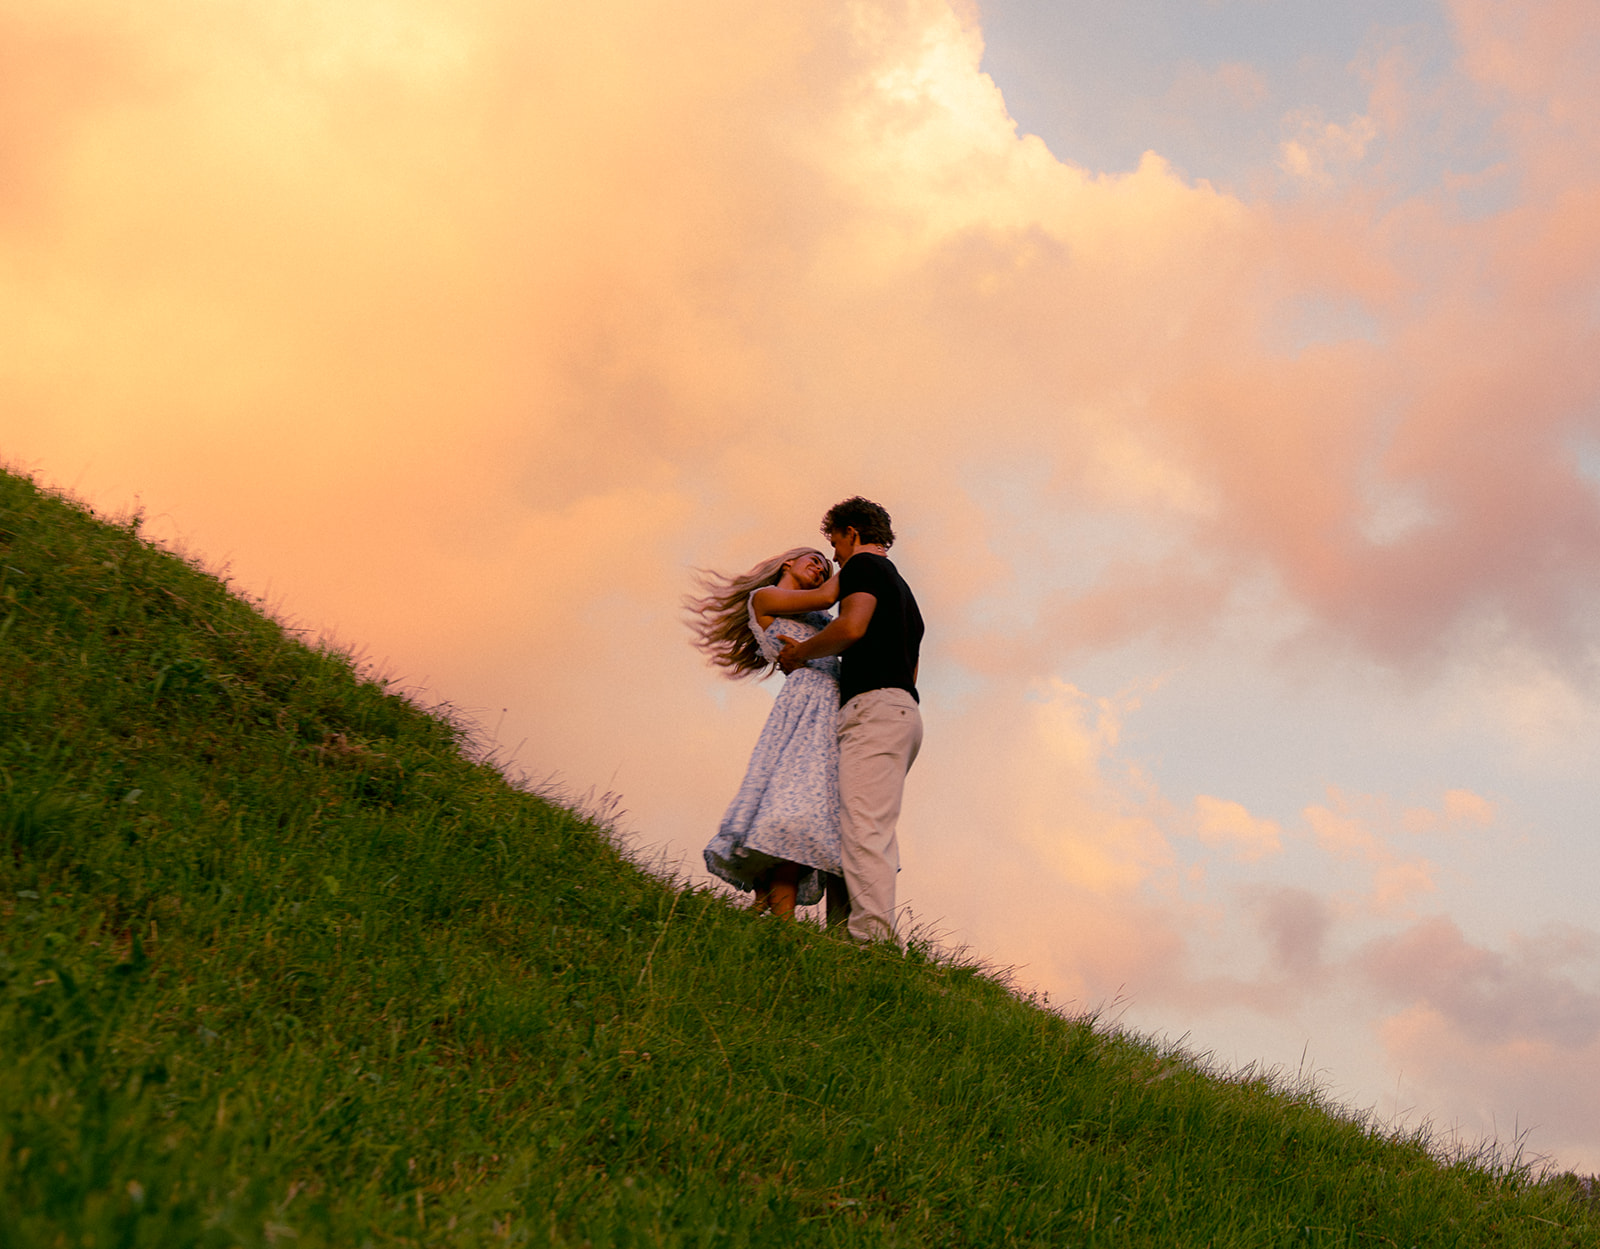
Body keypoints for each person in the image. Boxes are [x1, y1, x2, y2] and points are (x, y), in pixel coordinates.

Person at [777, 497, 923, 944]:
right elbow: (913, 663)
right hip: (902, 712)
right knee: (857, 825)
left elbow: (852, 626)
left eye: (835, 542)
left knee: (863, 827)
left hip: (875, 711)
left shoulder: (863, 567)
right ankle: (842, 938)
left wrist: (799, 652)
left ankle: (872, 944)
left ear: (853, 533)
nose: (834, 555)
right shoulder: (905, 591)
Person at [687, 547, 848, 920]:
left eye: (826, 569)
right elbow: (827, 595)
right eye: (815, 561)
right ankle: (782, 924)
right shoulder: (765, 598)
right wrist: (860, 560)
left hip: (830, 705)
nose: (822, 570)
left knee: (796, 807)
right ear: (787, 562)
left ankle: (763, 914)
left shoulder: (818, 615)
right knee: (794, 809)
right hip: (807, 702)